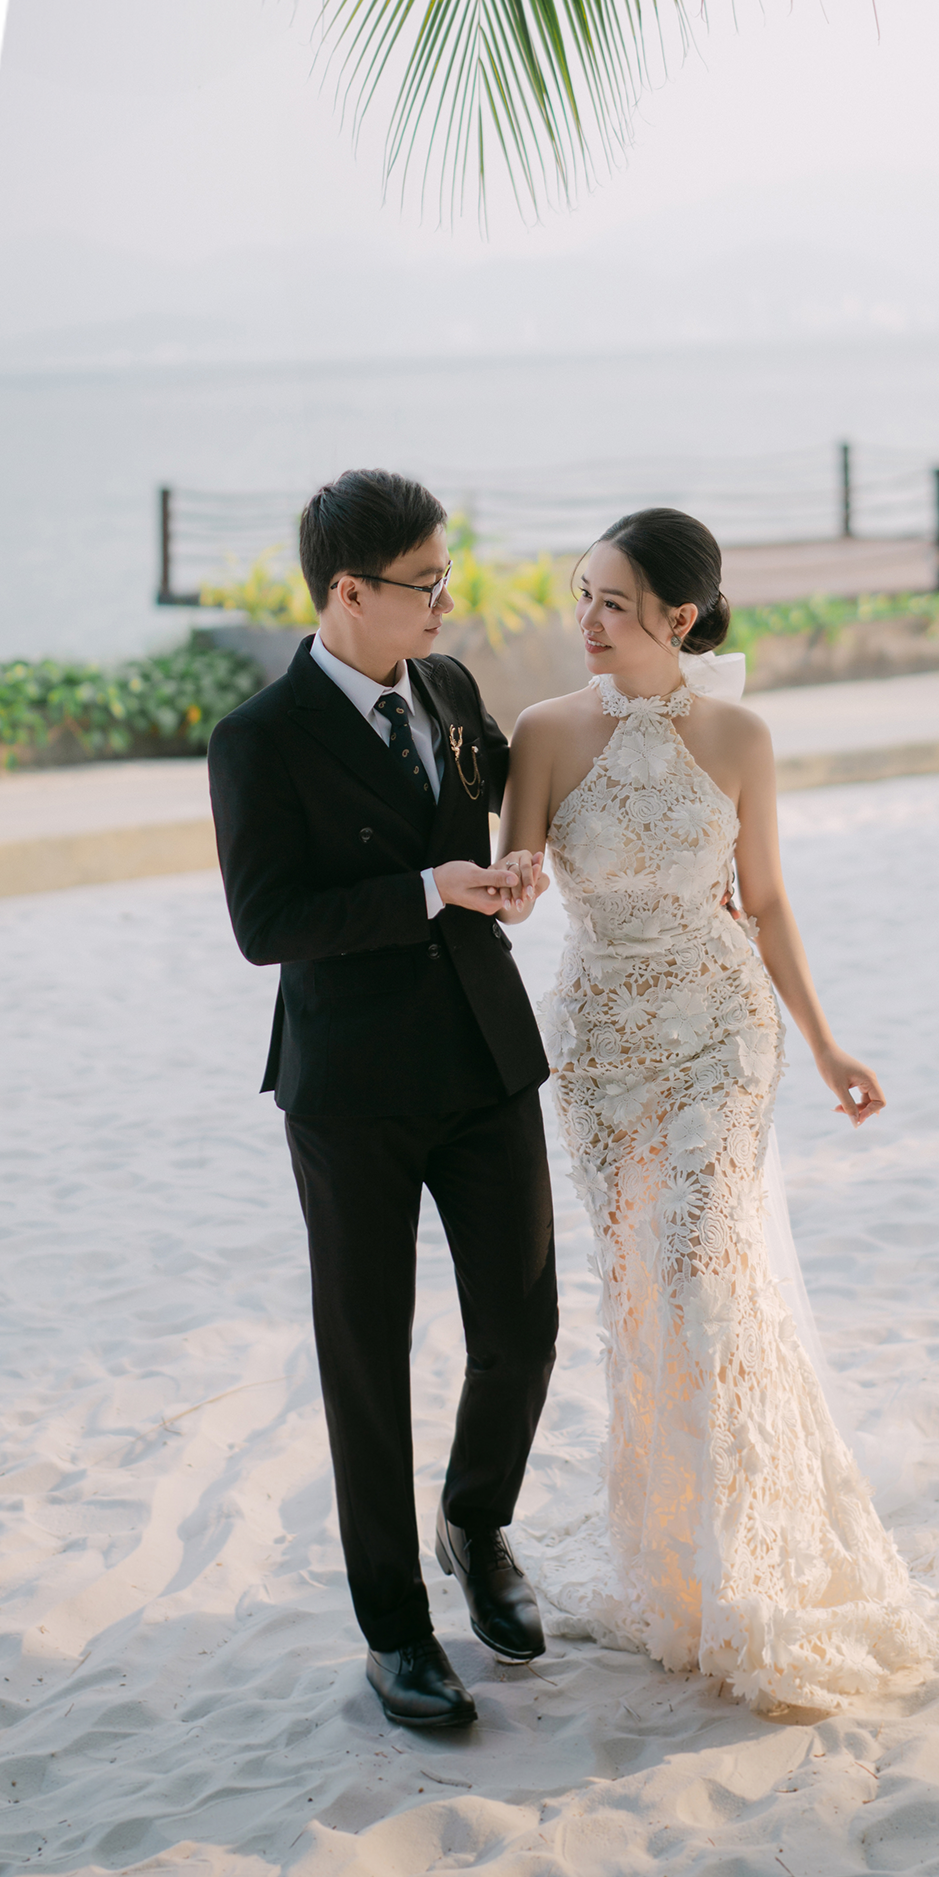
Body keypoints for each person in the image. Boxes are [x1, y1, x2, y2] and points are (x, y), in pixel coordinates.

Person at [498, 507, 939, 1712]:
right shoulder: (542, 731)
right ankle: (673, 1562)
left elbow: (769, 899)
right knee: (641, 1290)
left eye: (612, 602)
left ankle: (753, 1560)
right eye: (583, 595)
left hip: (720, 1032)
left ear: (678, 616)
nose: (587, 621)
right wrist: (506, 883)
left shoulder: (741, 735)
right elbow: (520, 886)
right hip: (600, 1041)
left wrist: (829, 1045)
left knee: (705, 1274)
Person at [208, 469, 557, 1733]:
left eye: (446, 575)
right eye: (424, 583)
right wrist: (426, 887)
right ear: (348, 591)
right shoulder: (256, 738)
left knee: (523, 1328)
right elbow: (266, 923)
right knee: (368, 1360)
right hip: (350, 1088)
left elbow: (518, 800)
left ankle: (475, 1519)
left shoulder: (450, 686)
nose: (446, 602)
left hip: (483, 1054)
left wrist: (517, 870)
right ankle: (397, 1631)